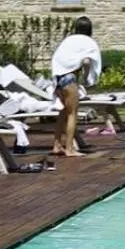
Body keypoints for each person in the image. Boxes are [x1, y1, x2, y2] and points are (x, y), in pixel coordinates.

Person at [49, 16, 103, 156]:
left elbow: (58, 58)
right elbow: (86, 61)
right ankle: (69, 149)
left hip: (58, 79)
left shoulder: (68, 41)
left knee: (63, 113)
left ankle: (56, 145)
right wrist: (86, 78)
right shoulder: (88, 42)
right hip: (70, 79)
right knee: (72, 114)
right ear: (89, 30)